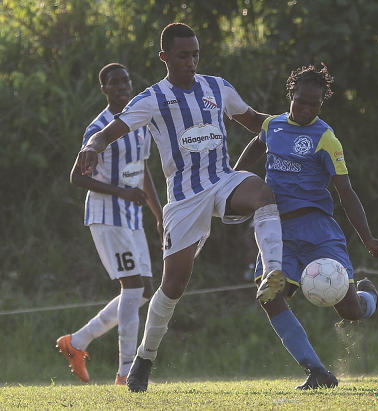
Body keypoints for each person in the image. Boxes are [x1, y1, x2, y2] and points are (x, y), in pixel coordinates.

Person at [76, 23, 286, 392]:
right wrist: (92, 148)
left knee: (263, 194)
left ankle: (273, 274)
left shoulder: (217, 87)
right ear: (165, 58)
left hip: (222, 180)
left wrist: (293, 126)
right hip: (185, 200)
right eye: (183, 55)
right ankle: (144, 358)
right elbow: (107, 133)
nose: (191, 62)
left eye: (195, 55)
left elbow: (254, 122)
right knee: (173, 285)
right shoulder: (152, 98)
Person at [234, 63, 378, 389]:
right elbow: (259, 142)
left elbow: (345, 191)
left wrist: (368, 238)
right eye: (301, 101)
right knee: (269, 296)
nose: (306, 109)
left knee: (349, 310)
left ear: (321, 104)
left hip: (317, 229)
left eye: (314, 104)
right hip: (278, 232)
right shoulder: (273, 125)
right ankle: (316, 371)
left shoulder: (326, 138)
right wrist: (231, 177)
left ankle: (370, 297)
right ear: (290, 94)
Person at [56, 63, 163, 385]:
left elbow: (142, 172)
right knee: (132, 287)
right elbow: (76, 176)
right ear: (104, 89)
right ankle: (126, 372)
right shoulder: (98, 128)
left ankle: (76, 342)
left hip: (132, 215)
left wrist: (159, 214)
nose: (122, 86)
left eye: (125, 80)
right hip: (106, 216)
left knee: (144, 289)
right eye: (114, 83)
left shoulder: (139, 124)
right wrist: (120, 192)